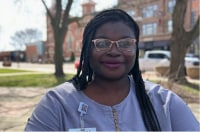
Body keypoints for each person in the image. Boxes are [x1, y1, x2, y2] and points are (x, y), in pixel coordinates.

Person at [24, 9, 199, 131]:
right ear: (87, 49)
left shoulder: (165, 104)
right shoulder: (57, 104)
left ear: (136, 49)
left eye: (125, 43)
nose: (114, 51)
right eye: (102, 43)